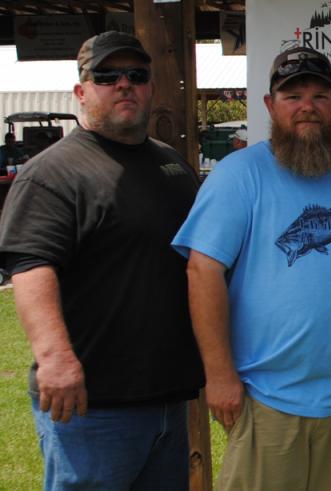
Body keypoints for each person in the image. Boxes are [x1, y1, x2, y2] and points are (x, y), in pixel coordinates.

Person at [172, 46, 331, 490]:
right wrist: (219, 376)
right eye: (293, 96)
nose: (307, 107)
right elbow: (202, 271)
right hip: (263, 403)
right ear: (269, 104)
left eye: (319, 96)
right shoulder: (238, 175)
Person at [0, 31, 204, 489]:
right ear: (81, 91)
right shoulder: (53, 173)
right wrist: (54, 359)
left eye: (136, 75)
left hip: (168, 398)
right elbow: (31, 268)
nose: (124, 84)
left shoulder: (173, 166)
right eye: (107, 76)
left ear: (150, 86)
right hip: (92, 407)